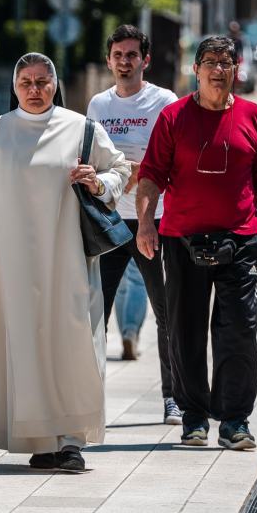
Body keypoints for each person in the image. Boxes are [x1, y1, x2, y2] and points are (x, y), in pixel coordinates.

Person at [0, 52, 130, 471]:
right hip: (13, 267)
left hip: (69, 261)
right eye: (26, 81)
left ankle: (71, 440)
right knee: (23, 346)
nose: (35, 89)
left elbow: (120, 169)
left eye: (43, 81)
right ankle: (42, 440)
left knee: (74, 343)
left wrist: (98, 182)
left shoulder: (81, 128)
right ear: (14, 85)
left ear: (55, 84)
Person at [135, 36, 257, 451]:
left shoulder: (254, 117)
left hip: (239, 239)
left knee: (239, 329)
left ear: (236, 69)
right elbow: (151, 175)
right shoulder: (173, 117)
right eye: (210, 62)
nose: (218, 70)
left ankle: (235, 420)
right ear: (196, 69)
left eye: (226, 62)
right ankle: (194, 417)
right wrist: (146, 222)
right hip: (182, 238)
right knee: (185, 331)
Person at [85, 24, 182, 426]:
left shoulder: (164, 102)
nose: (124, 62)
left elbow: (170, 165)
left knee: (168, 314)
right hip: (107, 222)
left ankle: (174, 398)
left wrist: (127, 171)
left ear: (145, 60)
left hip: (153, 222)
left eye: (131, 55)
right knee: (93, 314)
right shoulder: (97, 105)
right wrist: (131, 170)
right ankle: (87, 400)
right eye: (118, 55)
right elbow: (92, 162)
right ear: (108, 61)